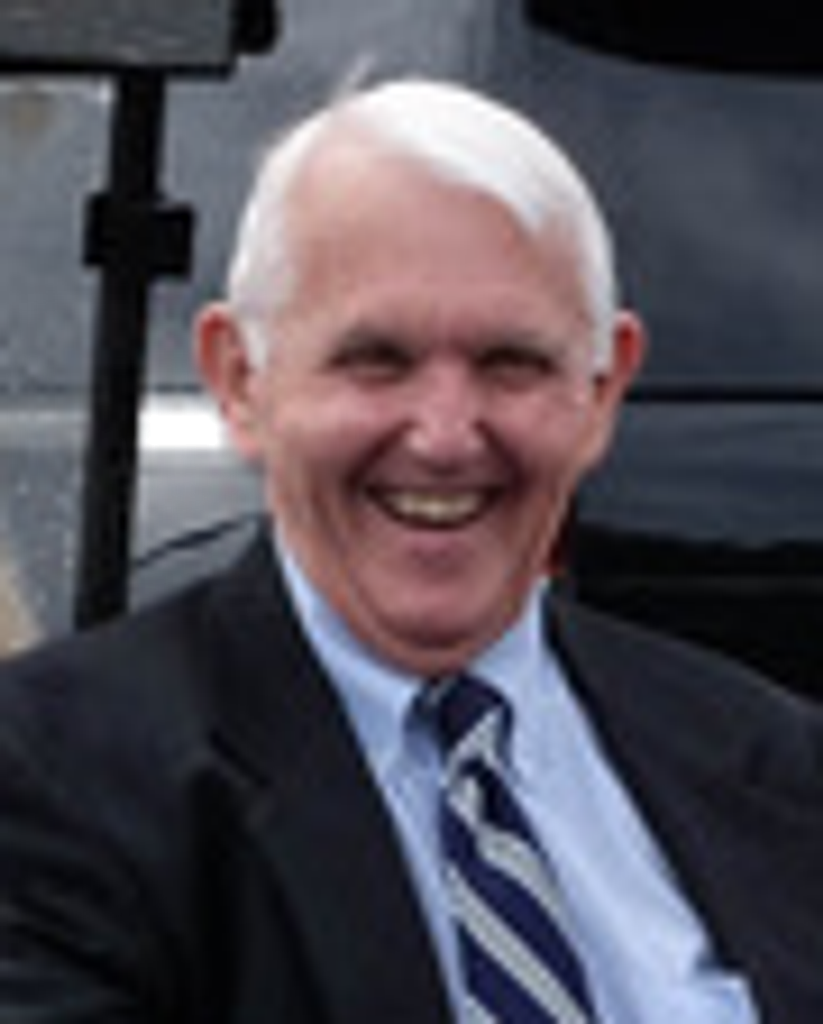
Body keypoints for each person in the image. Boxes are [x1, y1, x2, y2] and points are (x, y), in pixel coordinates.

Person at [0, 78, 821, 1024]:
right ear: (240, 381)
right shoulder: (55, 782)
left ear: (602, 390)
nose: (444, 435)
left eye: (511, 364)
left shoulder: (773, 764)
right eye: (375, 361)